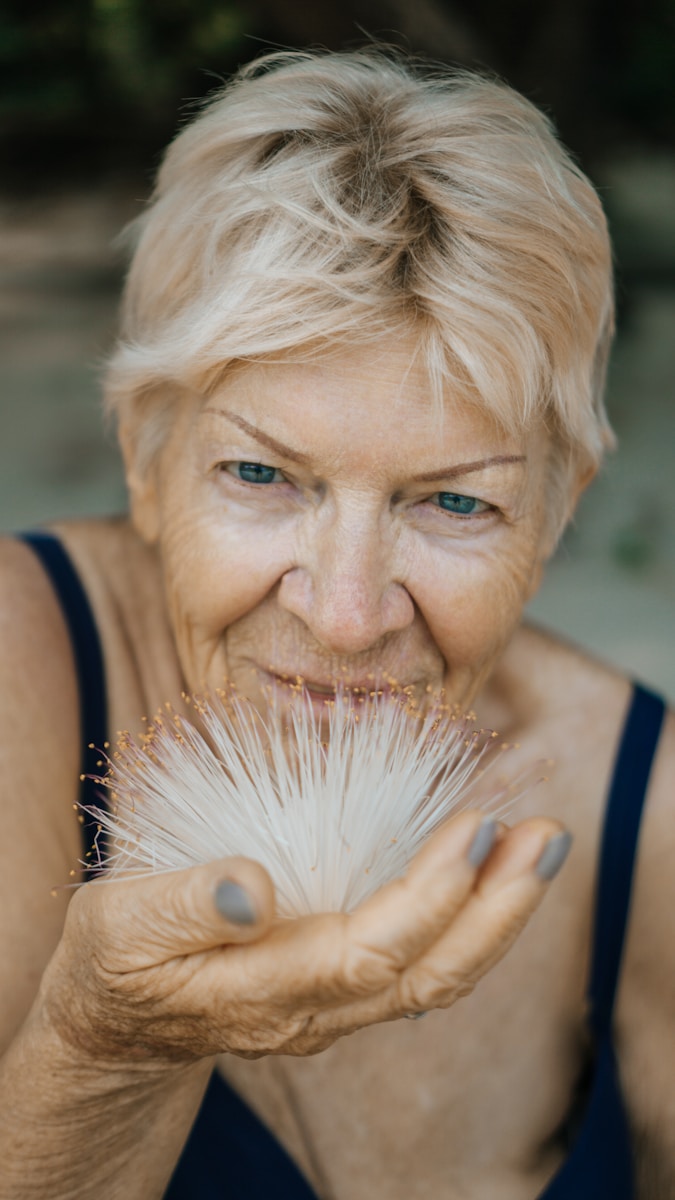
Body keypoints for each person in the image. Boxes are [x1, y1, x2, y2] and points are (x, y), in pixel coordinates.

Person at [0, 48, 672, 1200]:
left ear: (557, 510)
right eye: (262, 474)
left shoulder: (651, 816)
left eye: (458, 501)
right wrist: (109, 1051)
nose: (348, 616)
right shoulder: (22, 663)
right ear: (147, 462)